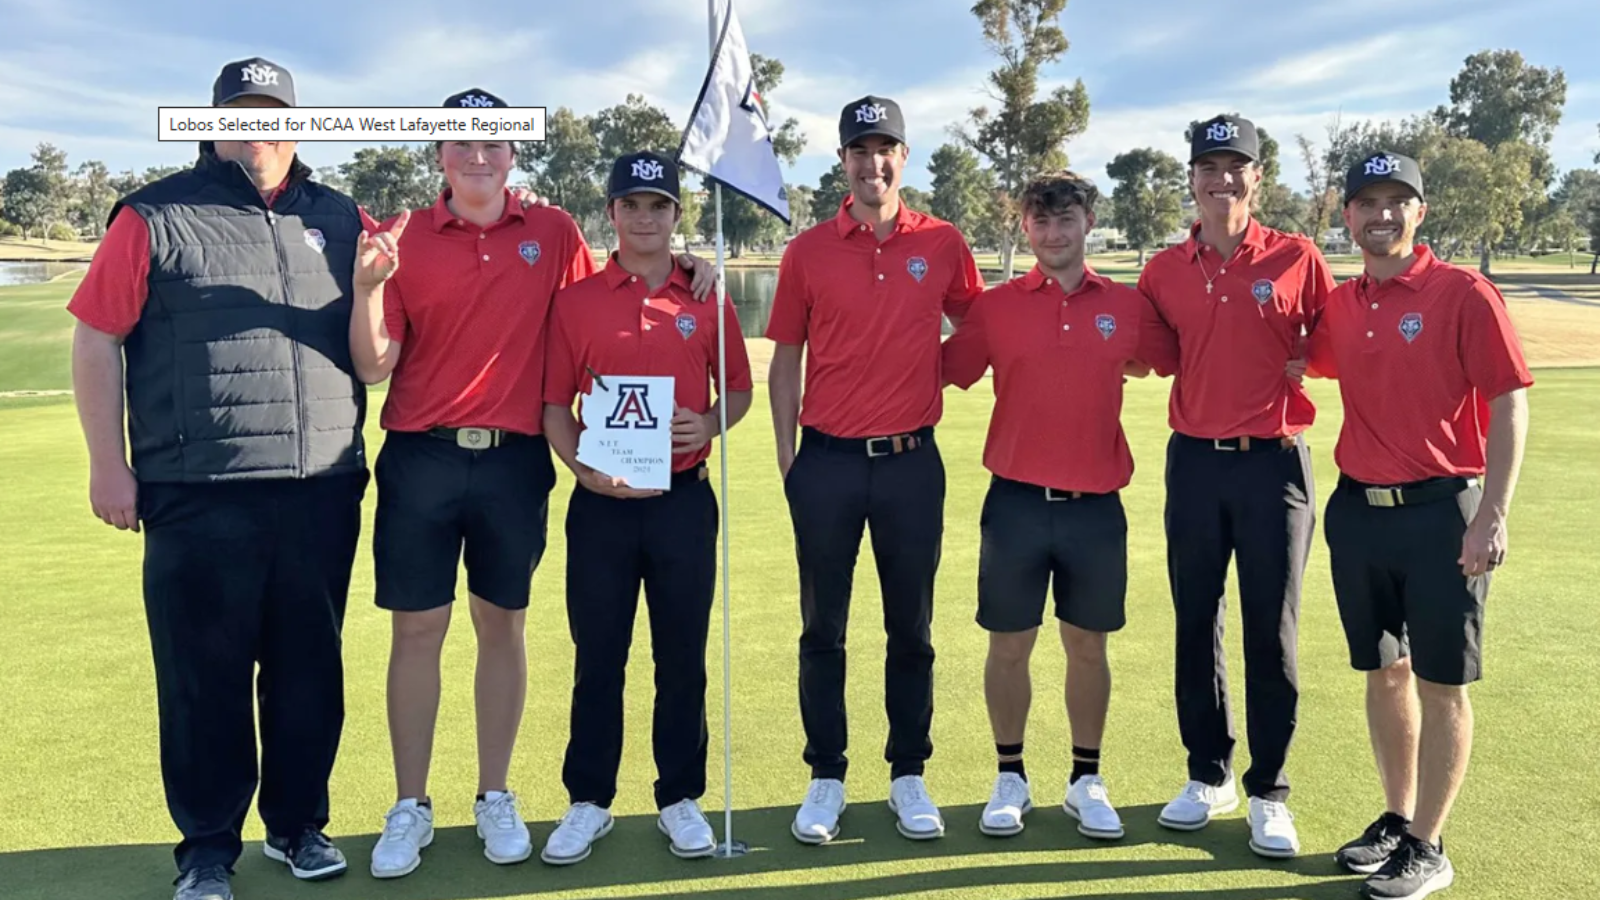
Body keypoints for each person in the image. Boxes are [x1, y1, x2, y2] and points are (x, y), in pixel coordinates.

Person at [347, 92, 717, 879]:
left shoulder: (549, 232)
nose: (479, 156)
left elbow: (612, 303)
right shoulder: (406, 236)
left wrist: (688, 267)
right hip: (422, 454)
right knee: (416, 632)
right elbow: (376, 364)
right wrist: (370, 286)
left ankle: (494, 795)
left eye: (495, 144)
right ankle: (410, 806)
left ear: (513, 156)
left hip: (515, 461)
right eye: (463, 144)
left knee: (501, 626)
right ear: (440, 153)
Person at [68, 57, 368, 900]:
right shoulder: (153, 214)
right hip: (197, 493)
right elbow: (96, 338)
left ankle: (298, 825)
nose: (258, 125)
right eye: (241, 111)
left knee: (311, 669)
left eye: (273, 111)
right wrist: (107, 464)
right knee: (204, 676)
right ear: (212, 123)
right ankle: (206, 848)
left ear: (297, 123)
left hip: (320, 486)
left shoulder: (340, 216)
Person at [1308, 152, 1531, 900]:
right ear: (1348, 217)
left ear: (1420, 212)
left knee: (1440, 683)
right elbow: (1295, 365)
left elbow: (1508, 400)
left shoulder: (1463, 292)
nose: (1383, 215)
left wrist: (1492, 514)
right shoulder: (1343, 304)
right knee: (1384, 671)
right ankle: (1399, 822)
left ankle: (1431, 846)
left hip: (1443, 515)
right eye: (1368, 203)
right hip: (1358, 512)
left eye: (1398, 201)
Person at [767, 95, 986, 844]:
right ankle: (826, 774)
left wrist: (941, 372)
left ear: (904, 155)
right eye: (860, 150)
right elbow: (786, 357)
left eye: (885, 148)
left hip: (909, 464)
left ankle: (907, 773)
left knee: (911, 628)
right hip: (825, 462)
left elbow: (980, 326)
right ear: (843, 161)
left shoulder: (945, 242)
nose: (873, 163)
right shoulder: (807, 251)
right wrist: (788, 458)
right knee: (822, 628)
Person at [942, 171, 1178, 839]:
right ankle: (1010, 776)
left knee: (1087, 646)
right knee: (1009, 644)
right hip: (1014, 502)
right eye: (1040, 221)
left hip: (1095, 506)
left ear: (1088, 221)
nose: (1053, 233)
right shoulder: (997, 307)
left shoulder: (1126, 307)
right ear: (1024, 227)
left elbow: (1182, 356)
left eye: (1065, 219)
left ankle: (1085, 779)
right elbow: (940, 367)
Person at [537, 151, 754, 865]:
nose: (645, 217)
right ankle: (589, 800)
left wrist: (710, 424)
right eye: (631, 204)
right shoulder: (575, 302)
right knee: (598, 657)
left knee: (681, 657)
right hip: (600, 509)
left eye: (658, 205)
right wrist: (581, 465)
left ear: (675, 215)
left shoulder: (706, 297)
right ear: (612, 214)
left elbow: (741, 392)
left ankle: (680, 796)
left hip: (683, 504)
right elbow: (553, 408)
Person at [1136, 114, 1334, 858]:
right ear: (1191, 178)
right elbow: (1146, 350)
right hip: (1193, 460)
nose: (1222, 179)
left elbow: (1339, 333)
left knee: (1271, 629)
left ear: (1258, 176)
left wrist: (1311, 354)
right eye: (1208, 167)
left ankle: (1269, 789)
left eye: (1236, 166)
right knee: (1196, 619)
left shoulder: (1297, 257)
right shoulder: (1161, 270)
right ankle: (1208, 772)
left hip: (1274, 464)